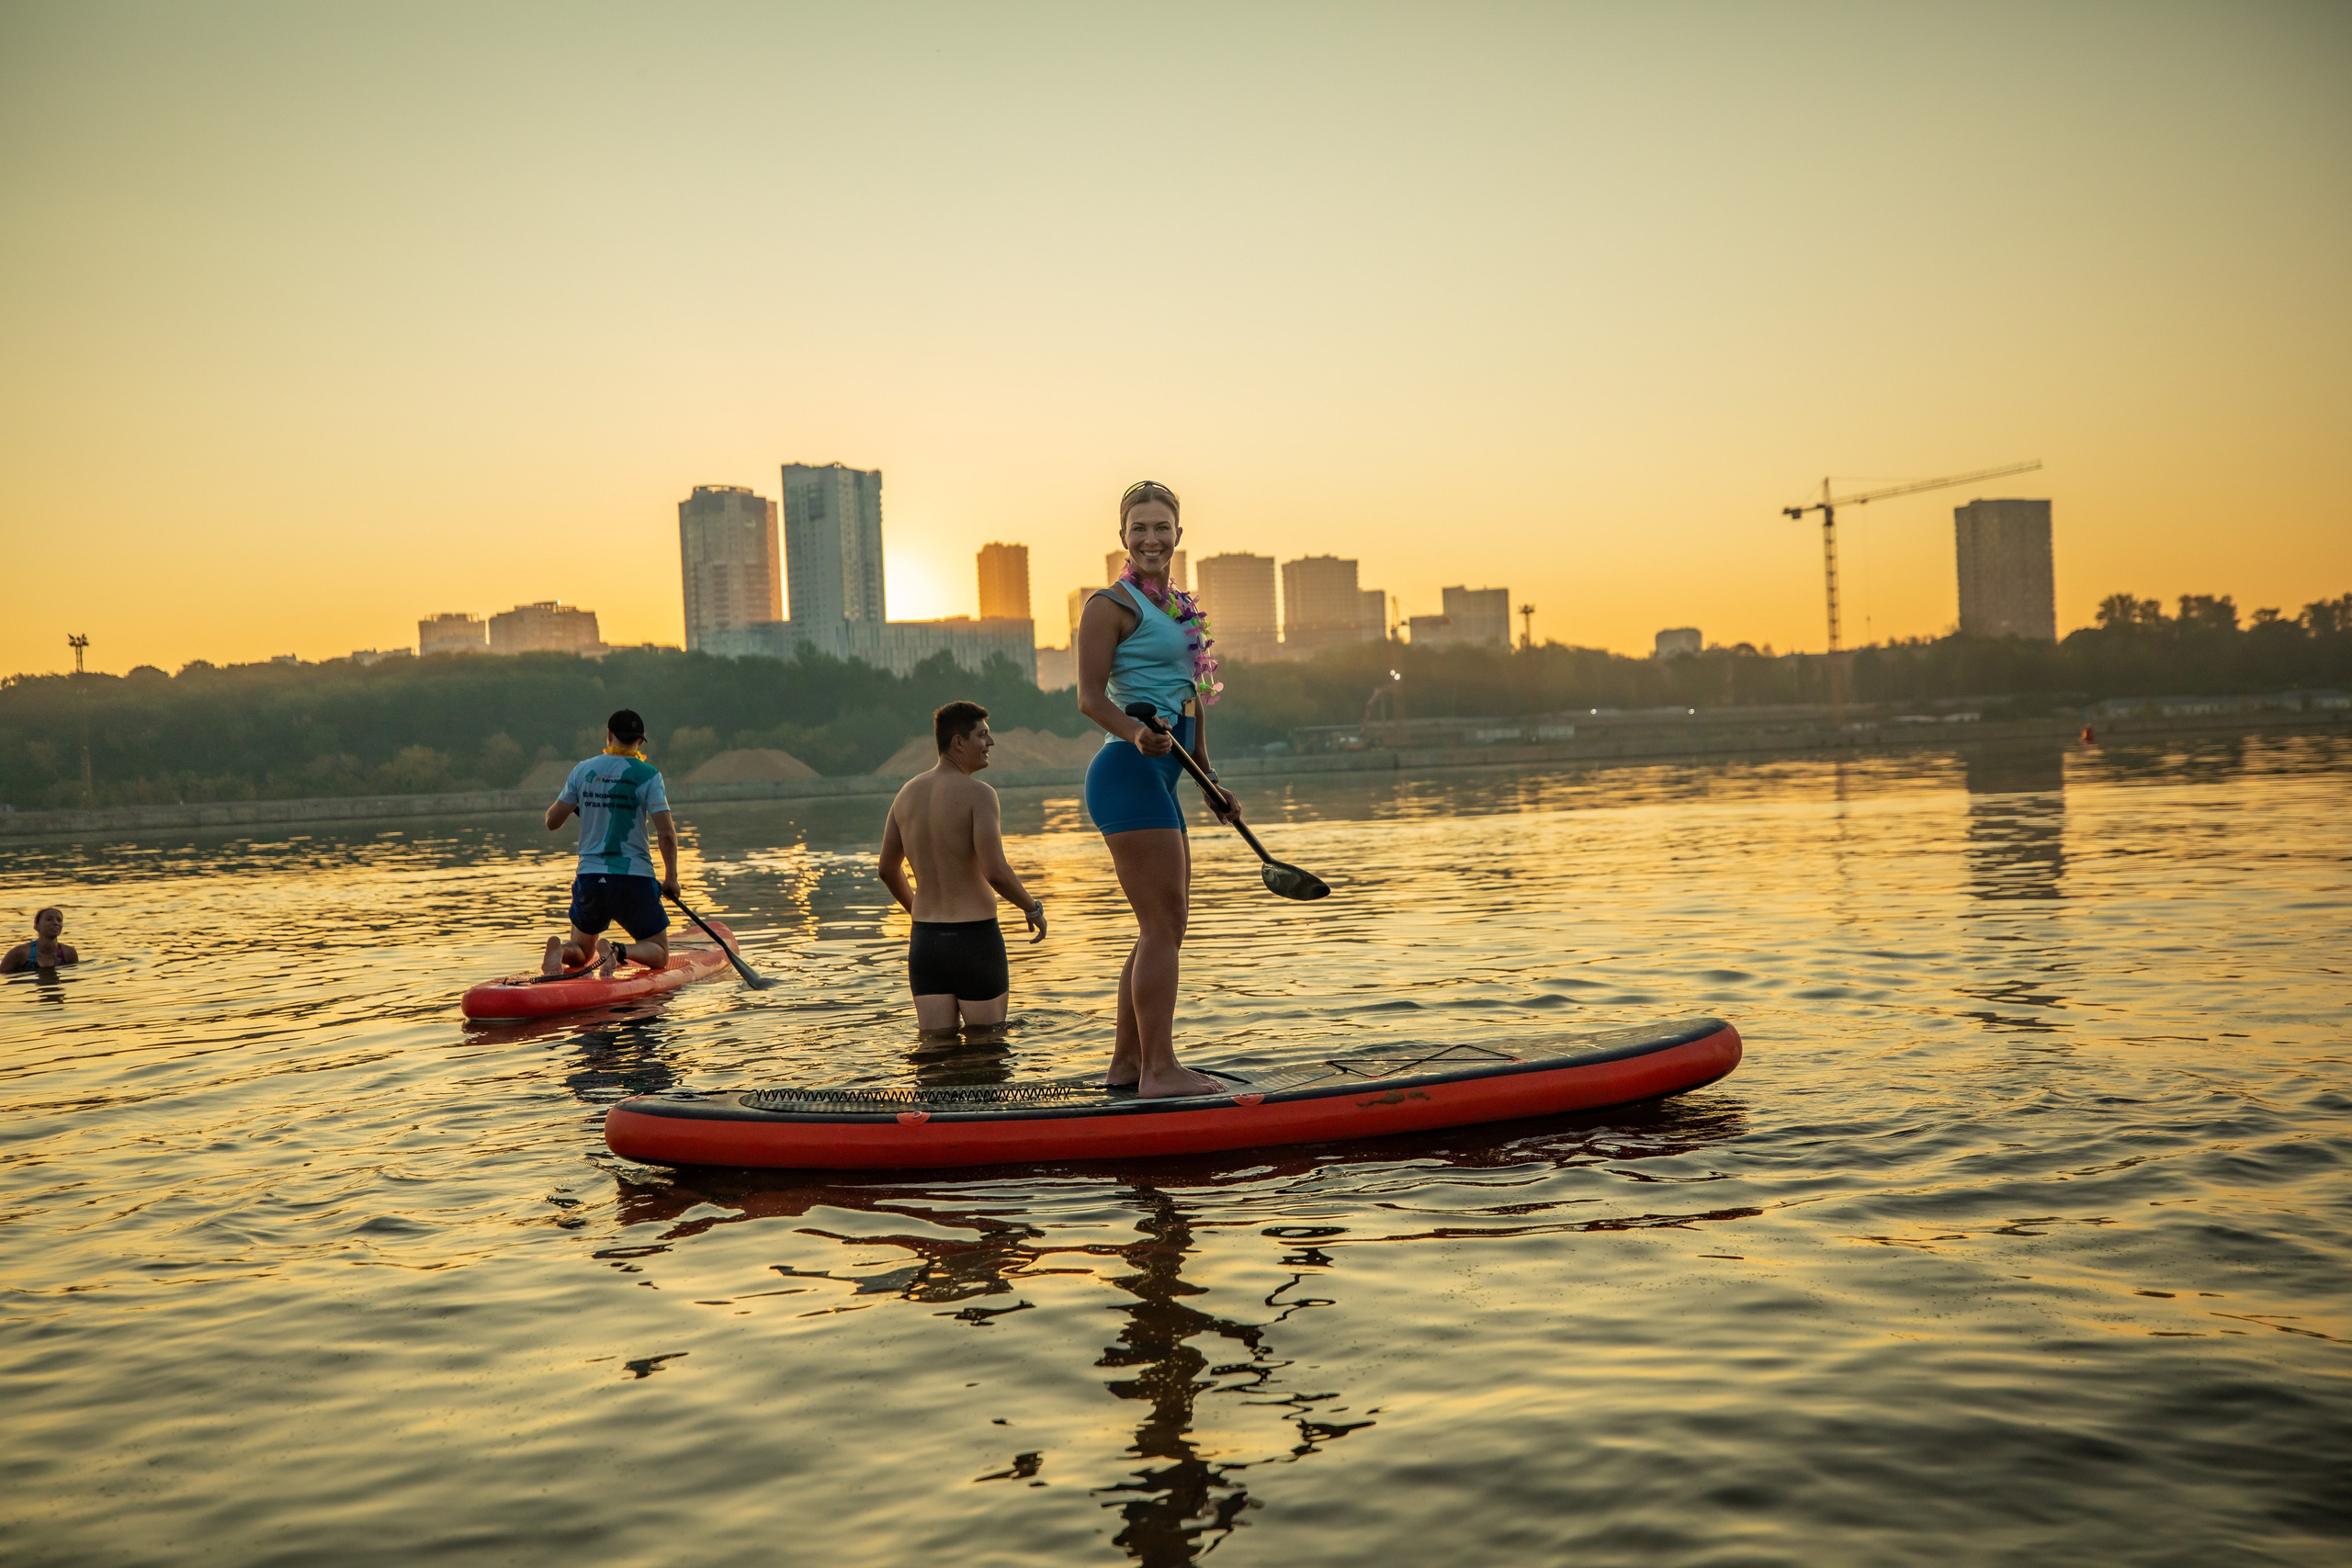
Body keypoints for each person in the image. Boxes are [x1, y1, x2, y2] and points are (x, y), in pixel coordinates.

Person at [1076, 479, 1241, 1098]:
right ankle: (1161, 1069)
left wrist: (1207, 776)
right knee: (1165, 922)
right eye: (1138, 527)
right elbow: (1090, 698)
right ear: (1123, 536)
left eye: (1161, 527)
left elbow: (1193, 693)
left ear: (1178, 534)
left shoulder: (1182, 609)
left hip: (1169, 775)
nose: (1151, 537)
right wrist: (1136, 733)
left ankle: (1127, 1064)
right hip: (1128, 768)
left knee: (1158, 925)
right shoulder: (1109, 605)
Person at [878, 700, 1046, 1032]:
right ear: (958, 742)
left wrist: (917, 911)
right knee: (989, 1050)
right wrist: (1032, 908)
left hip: (926, 942)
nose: (991, 743)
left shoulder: (905, 795)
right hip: (974, 940)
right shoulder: (979, 795)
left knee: (935, 1051)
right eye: (982, 735)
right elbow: (995, 871)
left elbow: (886, 868)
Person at [542, 708, 680, 979]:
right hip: (633, 880)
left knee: (582, 951)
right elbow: (666, 833)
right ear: (640, 741)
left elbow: (551, 822)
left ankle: (561, 952)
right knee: (660, 953)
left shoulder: (582, 770)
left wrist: (583, 801)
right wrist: (671, 878)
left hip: (590, 879)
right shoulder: (649, 775)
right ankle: (618, 952)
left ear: (609, 735)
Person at [2, 906, 79, 974]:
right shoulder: (21, 953)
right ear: (36, 927)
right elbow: (2, 974)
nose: (56, 923)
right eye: (49, 919)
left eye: (59, 920)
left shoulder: (69, 953)